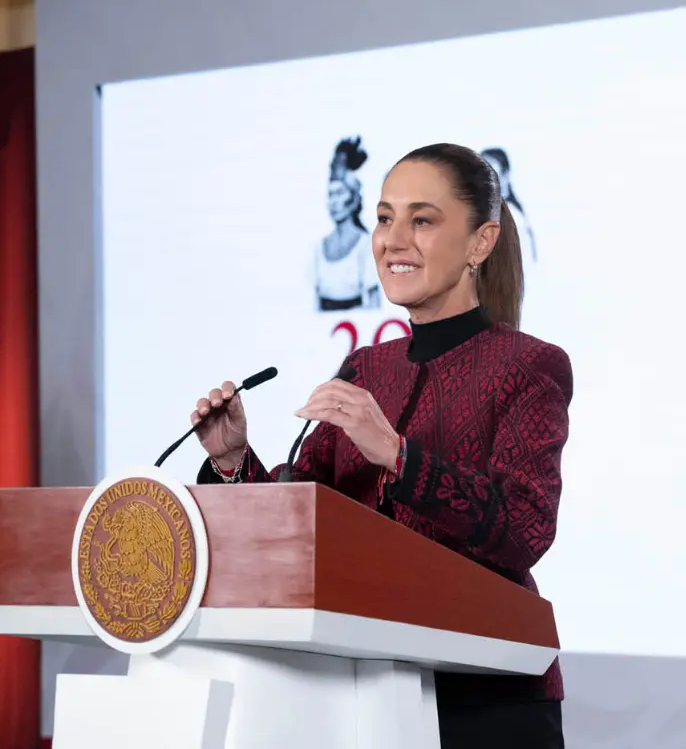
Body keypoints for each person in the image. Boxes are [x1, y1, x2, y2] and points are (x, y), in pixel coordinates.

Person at [190, 143, 572, 748]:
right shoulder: (365, 368)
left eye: (422, 220)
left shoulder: (530, 366)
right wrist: (233, 460)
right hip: (359, 699)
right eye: (385, 218)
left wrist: (399, 456)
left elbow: (526, 527)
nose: (394, 240)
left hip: (485, 700)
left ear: (480, 243)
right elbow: (299, 519)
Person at [315, 136, 381, 311]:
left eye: (340, 193)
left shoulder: (366, 245)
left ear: (353, 199)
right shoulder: (319, 247)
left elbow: (374, 303)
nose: (334, 202)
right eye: (330, 194)